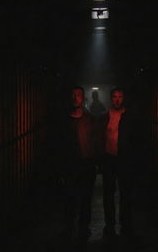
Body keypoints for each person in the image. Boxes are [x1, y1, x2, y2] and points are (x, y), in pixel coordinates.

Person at [55, 86, 99, 250]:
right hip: (70, 165)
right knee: (70, 200)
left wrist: (96, 160)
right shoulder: (64, 121)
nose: (75, 97)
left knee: (85, 200)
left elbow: (96, 142)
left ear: (83, 98)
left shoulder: (90, 120)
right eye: (73, 95)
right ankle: (70, 229)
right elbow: (58, 147)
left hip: (87, 164)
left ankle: (82, 229)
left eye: (78, 95)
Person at [99, 87, 136, 241]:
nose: (117, 99)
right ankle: (110, 224)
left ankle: (125, 224)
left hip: (124, 160)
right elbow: (99, 139)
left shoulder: (130, 117)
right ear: (111, 98)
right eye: (115, 96)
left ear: (124, 98)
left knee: (125, 193)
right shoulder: (104, 117)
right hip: (108, 159)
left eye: (120, 96)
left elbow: (136, 139)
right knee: (108, 193)